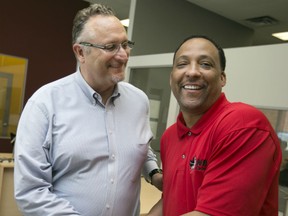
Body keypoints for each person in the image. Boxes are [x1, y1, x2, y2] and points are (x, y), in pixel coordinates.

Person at [14, 3, 162, 216]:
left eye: (125, 44)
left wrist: (154, 173)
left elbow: (141, 147)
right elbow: (31, 192)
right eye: (111, 47)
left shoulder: (139, 101)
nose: (123, 56)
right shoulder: (45, 104)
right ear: (81, 52)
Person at [147, 35, 282, 216]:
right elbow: (169, 201)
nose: (192, 72)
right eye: (182, 64)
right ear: (172, 78)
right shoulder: (169, 137)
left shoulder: (243, 125)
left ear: (222, 78)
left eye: (205, 64)